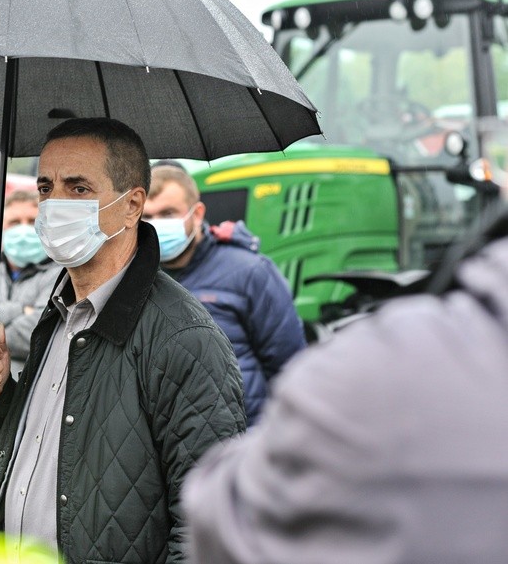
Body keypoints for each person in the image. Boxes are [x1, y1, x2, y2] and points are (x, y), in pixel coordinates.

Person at [0, 118, 246, 563]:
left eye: (78, 189)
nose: (54, 204)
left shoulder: (183, 339)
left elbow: (211, 529)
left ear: (132, 205)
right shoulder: (58, 316)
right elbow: (67, 450)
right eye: (45, 187)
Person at [183, 203, 508, 564]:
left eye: (168, 211)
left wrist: (268, 439)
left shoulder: (375, 372)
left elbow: (286, 356)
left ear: (196, 212)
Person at [143, 164, 306, 426]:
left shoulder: (250, 273)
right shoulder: (137, 279)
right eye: (147, 217)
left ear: (197, 214)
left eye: (168, 213)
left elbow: (290, 367)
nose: (157, 225)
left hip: (242, 441)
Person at [0, 189, 61, 379]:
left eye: (31, 221)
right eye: (14, 222)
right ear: (2, 228)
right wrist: (21, 309)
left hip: (28, 384)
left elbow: (38, 335)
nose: (23, 229)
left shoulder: (59, 275)